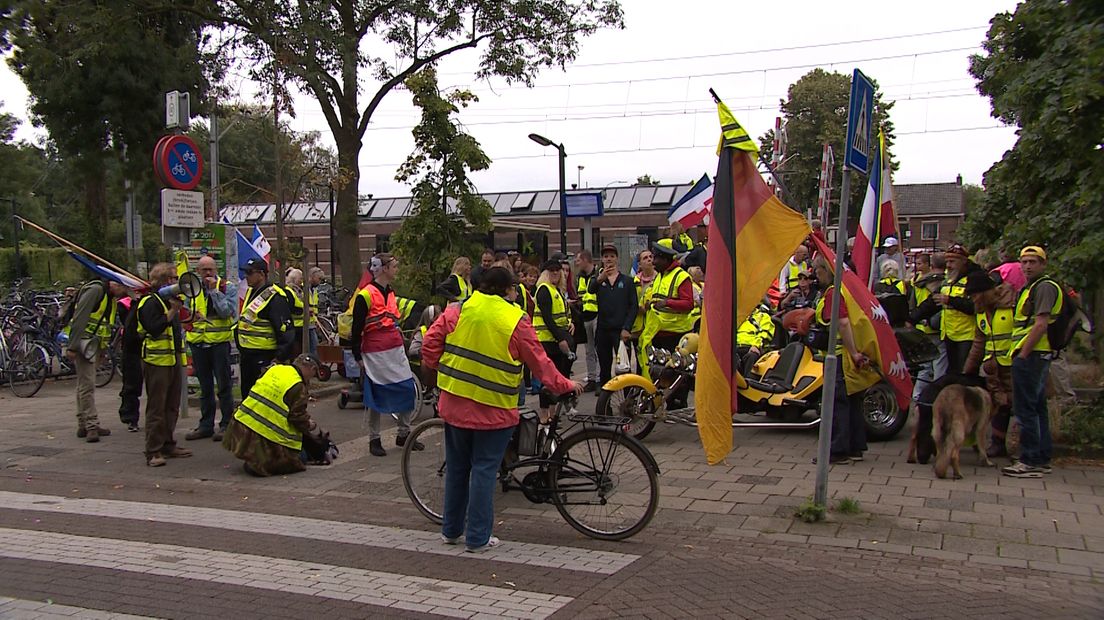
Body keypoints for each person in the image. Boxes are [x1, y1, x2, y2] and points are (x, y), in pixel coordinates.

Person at [421, 266, 582, 552]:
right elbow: (540, 363)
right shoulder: (514, 319)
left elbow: (430, 344)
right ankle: (478, 537)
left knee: (458, 467)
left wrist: (438, 369)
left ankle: (451, 531)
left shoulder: (459, 310)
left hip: (455, 404)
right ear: (509, 290)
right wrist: (565, 384)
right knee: (484, 469)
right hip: (493, 410)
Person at [351, 253, 420, 456]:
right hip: (374, 352)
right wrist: (357, 356)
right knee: (377, 393)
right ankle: (374, 439)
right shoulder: (365, 295)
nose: (397, 269)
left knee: (408, 389)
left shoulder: (390, 292)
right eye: (394, 266)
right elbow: (356, 329)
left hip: (394, 349)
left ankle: (403, 434)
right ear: (383, 269)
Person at [1003, 246, 1062, 478]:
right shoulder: (1031, 287)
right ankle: (1040, 457)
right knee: (1037, 408)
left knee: (1025, 409)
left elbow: (1040, 324)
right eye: (1024, 262)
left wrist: (1024, 353)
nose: (1027, 266)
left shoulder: (1044, 287)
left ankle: (1029, 461)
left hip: (1033, 354)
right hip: (1032, 354)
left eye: (1033, 262)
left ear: (1043, 264)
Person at [223, 354, 321, 476]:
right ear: (312, 369)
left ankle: (252, 457)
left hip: (240, 427)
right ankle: (259, 463)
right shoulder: (298, 385)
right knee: (302, 458)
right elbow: (297, 417)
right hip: (263, 434)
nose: (311, 379)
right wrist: (309, 425)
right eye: (313, 375)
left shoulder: (275, 369)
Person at [812, 255, 869, 464]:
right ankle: (855, 446)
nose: (816, 277)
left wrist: (853, 352)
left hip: (839, 356)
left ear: (826, 271)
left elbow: (842, 323)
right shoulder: (849, 290)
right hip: (850, 355)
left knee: (836, 404)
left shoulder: (833, 293)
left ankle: (838, 450)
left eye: (818, 272)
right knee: (853, 401)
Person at [137, 263, 191, 467]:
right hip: (156, 362)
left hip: (171, 360)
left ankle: (168, 443)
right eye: (174, 278)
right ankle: (153, 451)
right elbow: (155, 328)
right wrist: (172, 312)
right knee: (156, 408)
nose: (177, 282)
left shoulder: (167, 302)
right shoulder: (150, 303)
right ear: (166, 281)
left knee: (171, 405)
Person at [961, 271, 1016, 458]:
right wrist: (968, 370)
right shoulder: (982, 312)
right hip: (993, 369)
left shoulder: (1011, 306)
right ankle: (998, 444)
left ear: (985, 292)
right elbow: (979, 343)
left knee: (1021, 405)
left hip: (1014, 365)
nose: (973, 300)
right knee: (999, 404)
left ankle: (1030, 448)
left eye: (975, 295)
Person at [65, 278, 128, 442]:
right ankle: (91, 425)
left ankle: (83, 423)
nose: (124, 294)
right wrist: (72, 346)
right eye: (123, 289)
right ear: (115, 284)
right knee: (87, 385)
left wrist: (103, 348)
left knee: (83, 384)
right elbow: (81, 317)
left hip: (92, 344)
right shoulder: (96, 291)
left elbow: (104, 324)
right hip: (85, 343)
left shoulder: (108, 296)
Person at [184, 256, 239, 442]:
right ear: (198, 271)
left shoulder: (226, 287)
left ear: (216, 269)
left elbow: (227, 312)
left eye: (211, 269)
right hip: (198, 343)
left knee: (224, 386)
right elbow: (186, 313)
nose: (208, 273)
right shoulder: (191, 288)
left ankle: (226, 424)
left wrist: (214, 292)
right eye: (204, 270)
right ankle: (205, 425)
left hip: (219, 344)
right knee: (205, 387)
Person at [642, 242, 696, 408]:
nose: (653, 261)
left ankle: (678, 403)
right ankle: (665, 399)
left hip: (676, 334)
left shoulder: (681, 276)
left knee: (678, 371)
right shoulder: (660, 276)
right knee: (661, 371)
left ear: (665, 260)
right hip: (660, 332)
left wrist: (667, 303)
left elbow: (689, 304)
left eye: (656, 258)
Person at [235, 258, 295, 401]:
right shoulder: (251, 293)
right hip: (248, 356)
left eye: (249, 273)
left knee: (262, 399)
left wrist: (278, 358)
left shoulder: (274, 297)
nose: (246, 277)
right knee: (248, 398)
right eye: (245, 273)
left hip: (264, 357)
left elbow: (285, 330)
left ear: (261, 274)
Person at [588, 244, 638, 387]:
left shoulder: (627, 281)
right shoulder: (598, 280)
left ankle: (627, 401)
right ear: (602, 259)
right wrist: (600, 278)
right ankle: (606, 401)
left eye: (611, 256)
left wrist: (627, 327)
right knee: (604, 368)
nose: (609, 259)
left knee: (624, 368)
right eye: (605, 256)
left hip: (620, 330)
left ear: (616, 259)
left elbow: (633, 306)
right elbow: (590, 290)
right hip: (603, 330)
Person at [532, 259, 574, 422]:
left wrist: (569, 324)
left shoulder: (556, 290)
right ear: (545, 273)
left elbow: (562, 314)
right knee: (547, 380)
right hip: (547, 341)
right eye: (551, 270)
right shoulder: (544, 290)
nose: (555, 273)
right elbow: (548, 318)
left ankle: (552, 413)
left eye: (558, 270)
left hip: (555, 339)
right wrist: (560, 338)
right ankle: (544, 416)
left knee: (555, 378)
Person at [116, 291, 143, 433]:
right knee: (131, 384)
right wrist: (134, 304)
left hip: (147, 347)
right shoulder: (124, 304)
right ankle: (131, 417)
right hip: (132, 347)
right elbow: (129, 324)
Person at [573, 250, 599, 391]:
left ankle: (600, 379)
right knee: (589, 350)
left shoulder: (598, 274)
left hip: (597, 315)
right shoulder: (580, 277)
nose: (576, 263)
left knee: (598, 348)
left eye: (578, 260)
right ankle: (592, 378)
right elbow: (581, 296)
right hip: (585, 316)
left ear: (585, 260)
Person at [736, 303, 775, 375]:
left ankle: (748, 383)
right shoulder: (737, 317)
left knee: (751, 356)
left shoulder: (763, 316)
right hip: (735, 347)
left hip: (752, 347)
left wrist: (756, 346)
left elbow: (765, 334)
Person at [284, 267, 306, 357]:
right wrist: (303, 310)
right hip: (294, 325)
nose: (301, 280)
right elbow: (291, 307)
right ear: (294, 279)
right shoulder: (289, 291)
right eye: (300, 278)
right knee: (295, 350)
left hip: (301, 325)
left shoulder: (299, 290)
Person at [307, 267, 325, 354]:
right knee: (314, 347)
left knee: (314, 346)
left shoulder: (314, 290)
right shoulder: (304, 289)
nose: (320, 281)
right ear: (312, 277)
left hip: (312, 322)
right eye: (319, 278)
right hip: (305, 323)